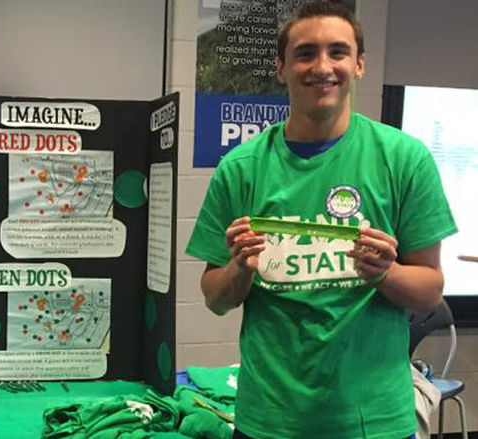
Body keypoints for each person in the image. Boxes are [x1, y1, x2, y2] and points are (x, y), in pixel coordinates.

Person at [186, 3, 457, 439]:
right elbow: (216, 298)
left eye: (338, 52)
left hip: (373, 422)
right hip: (270, 420)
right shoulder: (241, 168)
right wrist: (240, 267)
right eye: (306, 53)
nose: (322, 67)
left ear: (359, 64)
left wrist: (384, 274)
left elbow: (429, 290)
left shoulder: (404, 158)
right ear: (281, 67)